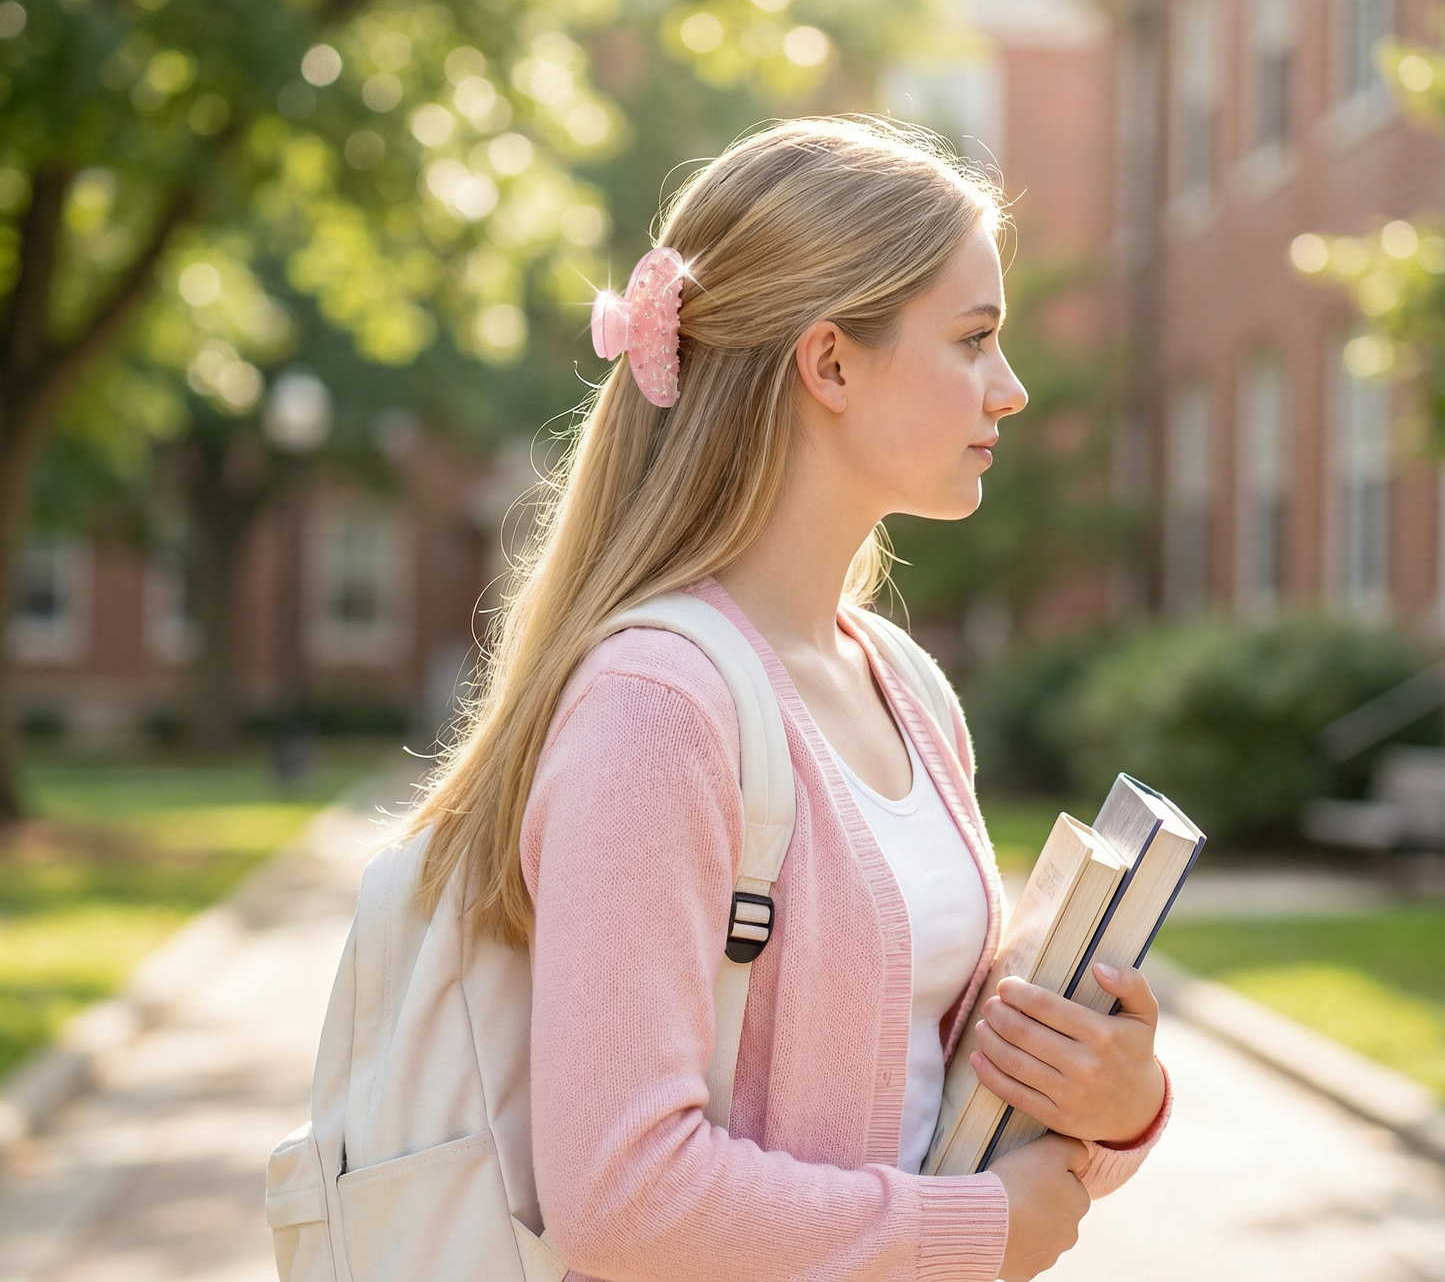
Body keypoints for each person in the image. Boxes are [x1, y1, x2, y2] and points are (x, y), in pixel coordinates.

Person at [407, 117, 1170, 1282]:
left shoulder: (902, 686)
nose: (1009, 391)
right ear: (828, 364)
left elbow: (942, 1103)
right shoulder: (656, 710)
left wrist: (1110, 1100)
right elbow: (621, 1195)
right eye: (972, 340)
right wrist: (972, 1237)